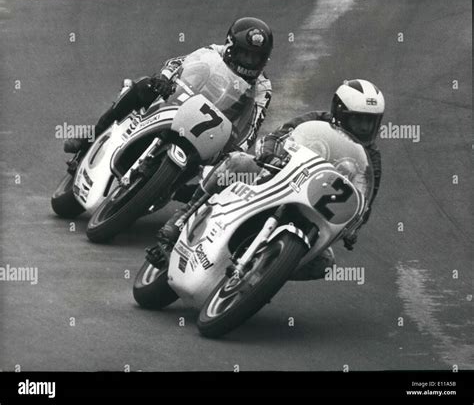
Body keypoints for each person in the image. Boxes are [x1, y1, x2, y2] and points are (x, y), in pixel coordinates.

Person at [149, 79, 385, 282]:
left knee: (323, 263)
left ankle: (256, 280)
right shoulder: (316, 120)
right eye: (359, 120)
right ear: (340, 112)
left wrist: (353, 227)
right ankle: (183, 217)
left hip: (314, 208)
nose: (365, 127)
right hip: (276, 180)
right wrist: (270, 151)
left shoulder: (370, 159)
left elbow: (364, 200)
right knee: (240, 163)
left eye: (370, 121)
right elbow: (277, 135)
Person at [63, 17, 273, 158]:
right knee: (145, 85)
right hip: (180, 99)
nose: (248, 61)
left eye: (255, 58)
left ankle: (187, 208)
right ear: (230, 47)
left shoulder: (263, 87)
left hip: (210, 129)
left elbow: (253, 126)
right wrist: (163, 79)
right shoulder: (214, 51)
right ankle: (90, 138)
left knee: (233, 167)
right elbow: (177, 63)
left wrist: (236, 150)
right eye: (245, 54)